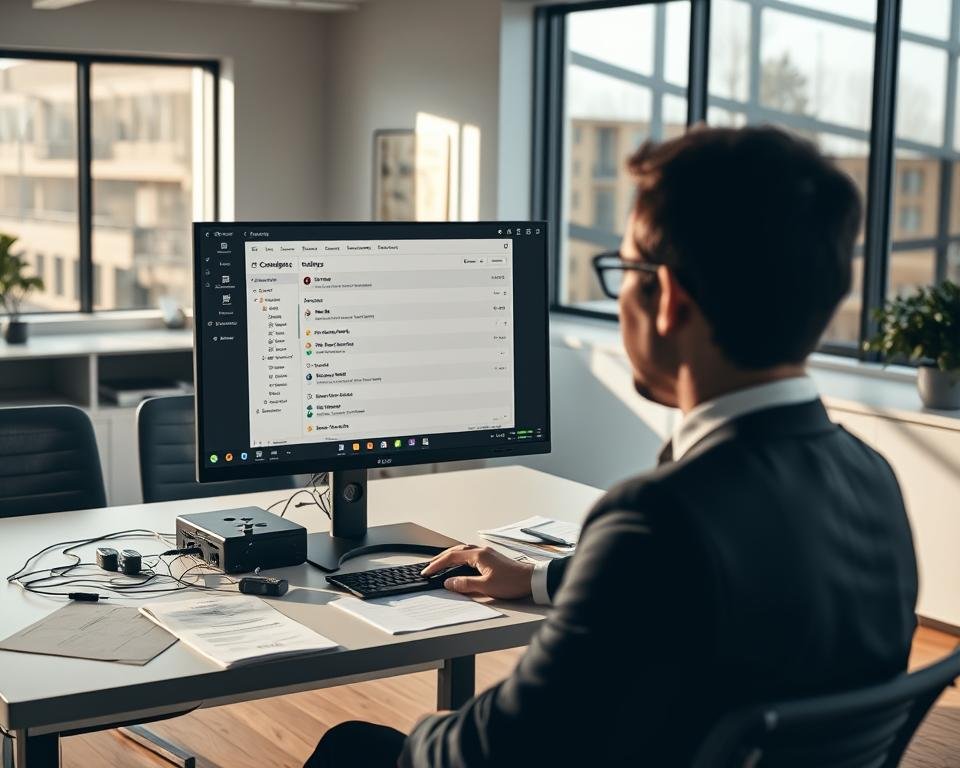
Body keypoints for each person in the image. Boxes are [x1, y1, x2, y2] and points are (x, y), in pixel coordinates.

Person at [305, 126, 918, 768]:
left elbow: (499, 750)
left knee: (353, 747)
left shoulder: (659, 519)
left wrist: (436, 732)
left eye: (624, 269)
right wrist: (542, 577)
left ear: (669, 300)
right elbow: (692, 595)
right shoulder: (871, 476)